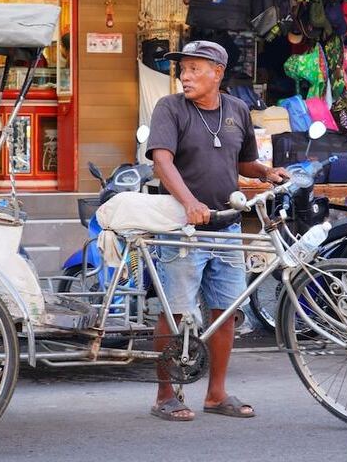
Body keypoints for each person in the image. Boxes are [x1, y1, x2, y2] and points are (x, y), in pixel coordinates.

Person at [145, 41, 288, 422]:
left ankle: (216, 394)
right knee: (175, 311)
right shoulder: (170, 108)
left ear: (218, 73)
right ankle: (165, 395)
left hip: (228, 224)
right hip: (181, 227)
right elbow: (162, 159)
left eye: (194, 69)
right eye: (183, 69)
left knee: (225, 313)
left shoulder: (238, 109)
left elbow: (244, 161)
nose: (185, 76)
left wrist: (265, 173)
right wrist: (189, 203)